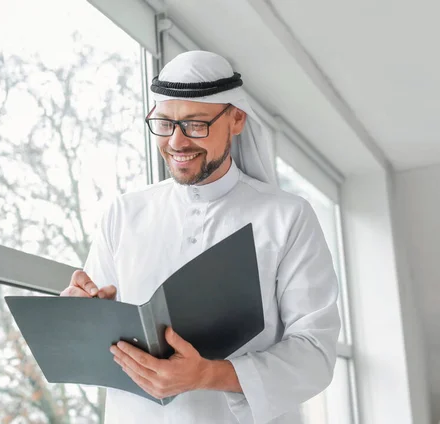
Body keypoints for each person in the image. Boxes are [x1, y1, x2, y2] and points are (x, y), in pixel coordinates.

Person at [61, 50, 341, 424]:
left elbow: (314, 354)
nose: (176, 142)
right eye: (164, 124)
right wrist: (79, 313)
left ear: (237, 118)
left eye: (195, 125)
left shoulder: (287, 216)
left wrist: (207, 374)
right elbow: (97, 344)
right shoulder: (123, 214)